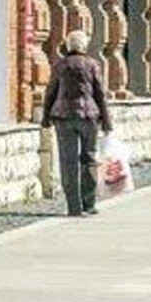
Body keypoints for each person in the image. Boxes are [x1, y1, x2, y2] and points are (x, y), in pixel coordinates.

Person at [41, 29, 113, 217]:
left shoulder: (60, 65)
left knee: (68, 161)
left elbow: (51, 92)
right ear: (84, 46)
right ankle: (89, 204)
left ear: (68, 45)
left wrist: (45, 118)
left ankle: (73, 207)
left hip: (63, 117)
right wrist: (107, 121)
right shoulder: (92, 65)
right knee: (89, 159)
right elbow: (100, 94)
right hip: (89, 116)